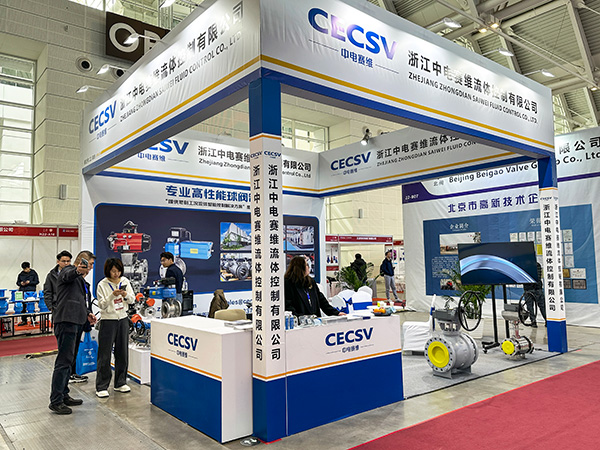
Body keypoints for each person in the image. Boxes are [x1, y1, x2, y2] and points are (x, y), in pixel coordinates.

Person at [49, 250, 97, 415]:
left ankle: (64, 394)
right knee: (63, 361)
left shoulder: (82, 282)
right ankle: (56, 400)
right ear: (82, 261)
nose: (91, 268)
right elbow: (67, 275)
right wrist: (77, 270)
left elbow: (80, 301)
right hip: (66, 322)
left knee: (70, 361)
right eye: (90, 264)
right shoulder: (68, 271)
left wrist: (87, 314)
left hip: (76, 322)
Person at [44, 250, 89, 383]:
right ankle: (58, 394)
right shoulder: (57, 274)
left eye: (68, 261)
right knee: (64, 356)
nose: (66, 263)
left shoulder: (78, 277)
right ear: (58, 261)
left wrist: (87, 313)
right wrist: (52, 308)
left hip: (76, 317)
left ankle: (70, 377)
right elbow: (48, 292)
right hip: (63, 316)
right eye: (64, 261)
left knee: (71, 353)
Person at [95, 258, 135, 398]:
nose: (116, 274)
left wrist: (125, 295)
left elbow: (132, 299)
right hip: (108, 321)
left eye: (118, 271)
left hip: (123, 319)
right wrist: (112, 295)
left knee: (122, 352)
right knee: (105, 354)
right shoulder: (102, 284)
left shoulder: (125, 281)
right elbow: (102, 305)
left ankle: (120, 382)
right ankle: (101, 386)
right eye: (113, 271)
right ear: (108, 271)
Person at [523, 262, 547, 328]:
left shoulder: (525, 265)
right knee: (542, 306)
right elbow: (538, 276)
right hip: (537, 288)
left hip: (529, 289)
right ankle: (546, 320)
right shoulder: (537, 265)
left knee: (530, 307)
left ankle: (533, 321)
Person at [16, 261, 40, 326]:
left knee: (32, 306)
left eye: (26, 269)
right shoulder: (21, 274)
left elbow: (37, 281)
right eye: (24, 269)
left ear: (29, 267)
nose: (25, 270)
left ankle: (33, 320)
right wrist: (21, 283)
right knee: (23, 307)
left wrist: (29, 282)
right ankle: (24, 320)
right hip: (23, 291)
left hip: (31, 292)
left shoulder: (33, 273)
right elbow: (17, 282)